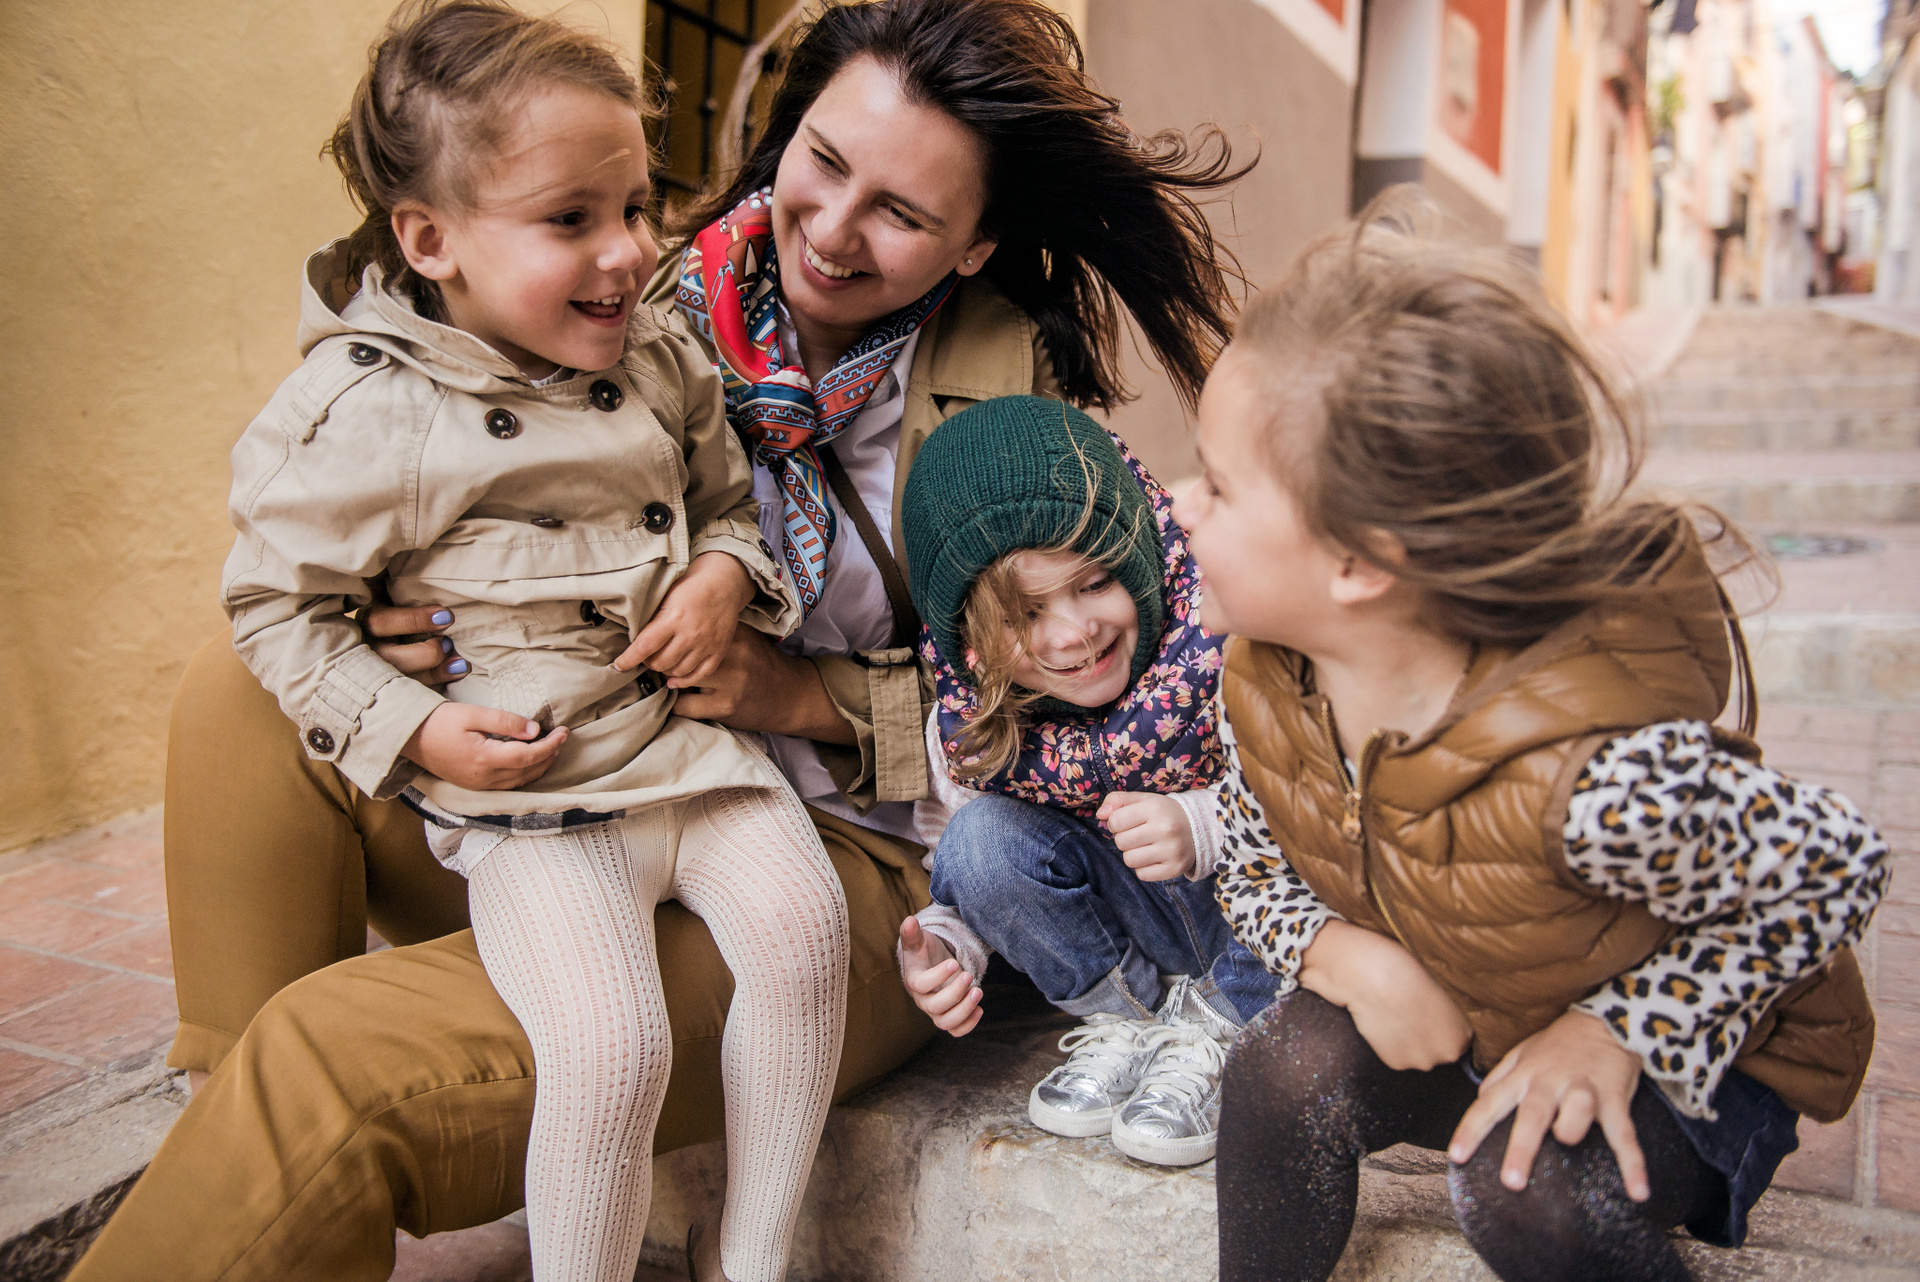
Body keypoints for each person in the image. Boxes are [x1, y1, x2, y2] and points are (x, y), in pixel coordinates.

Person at [72, 1, 1247, 1278]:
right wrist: (391, 643)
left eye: (903, 213)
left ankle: (277, 1174)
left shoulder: (1011, 399)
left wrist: (798, 695)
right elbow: (409, 407)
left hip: (841, 851)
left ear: (974, 245)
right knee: (240, 694)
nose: (832, 229)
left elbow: (1071, 705)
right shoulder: (642, 288)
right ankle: (236, 1153)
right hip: (570, 772)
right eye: (824, 161)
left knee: (337, 1067)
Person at [212, 5, 856, 1280]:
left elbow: (730, 505)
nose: (627, 251)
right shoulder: (368, 412)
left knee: (808, 935)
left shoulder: (661, 356)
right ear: (431, 240)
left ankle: (752, 1262)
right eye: (570, 219)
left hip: (689, 747)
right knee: (611, 1052)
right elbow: (276, 606)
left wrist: (724, 574)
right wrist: (415, 728)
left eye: (636, 205)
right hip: (535, 789)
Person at [1173, 199, 1888, 1282]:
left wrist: (1619, 1029)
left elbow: (1836, 866)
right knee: (1279, 1070)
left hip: (1698, 1058)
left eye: (1220, 487)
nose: (1182, 504)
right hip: (1486, 1005)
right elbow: (1252, 863)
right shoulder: (1269, 683)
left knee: (1525, 1186)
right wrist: (1338, 954)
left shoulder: (1593, 778)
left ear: (1362, 561)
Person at [892, 394, 1277, 1168]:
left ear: (1140, 559)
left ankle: (1222, 1027)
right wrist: (949, 946)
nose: (1073, 633)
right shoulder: (974, 726)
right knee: (978, 840)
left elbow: (1326, 809)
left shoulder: (1230, 631)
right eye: (1024, 616)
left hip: (1260, 926)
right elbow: (971, 875)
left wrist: (1203, 824)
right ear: (969, 641)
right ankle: (1135, 1023)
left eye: (1097, 583)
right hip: (1139, 929)